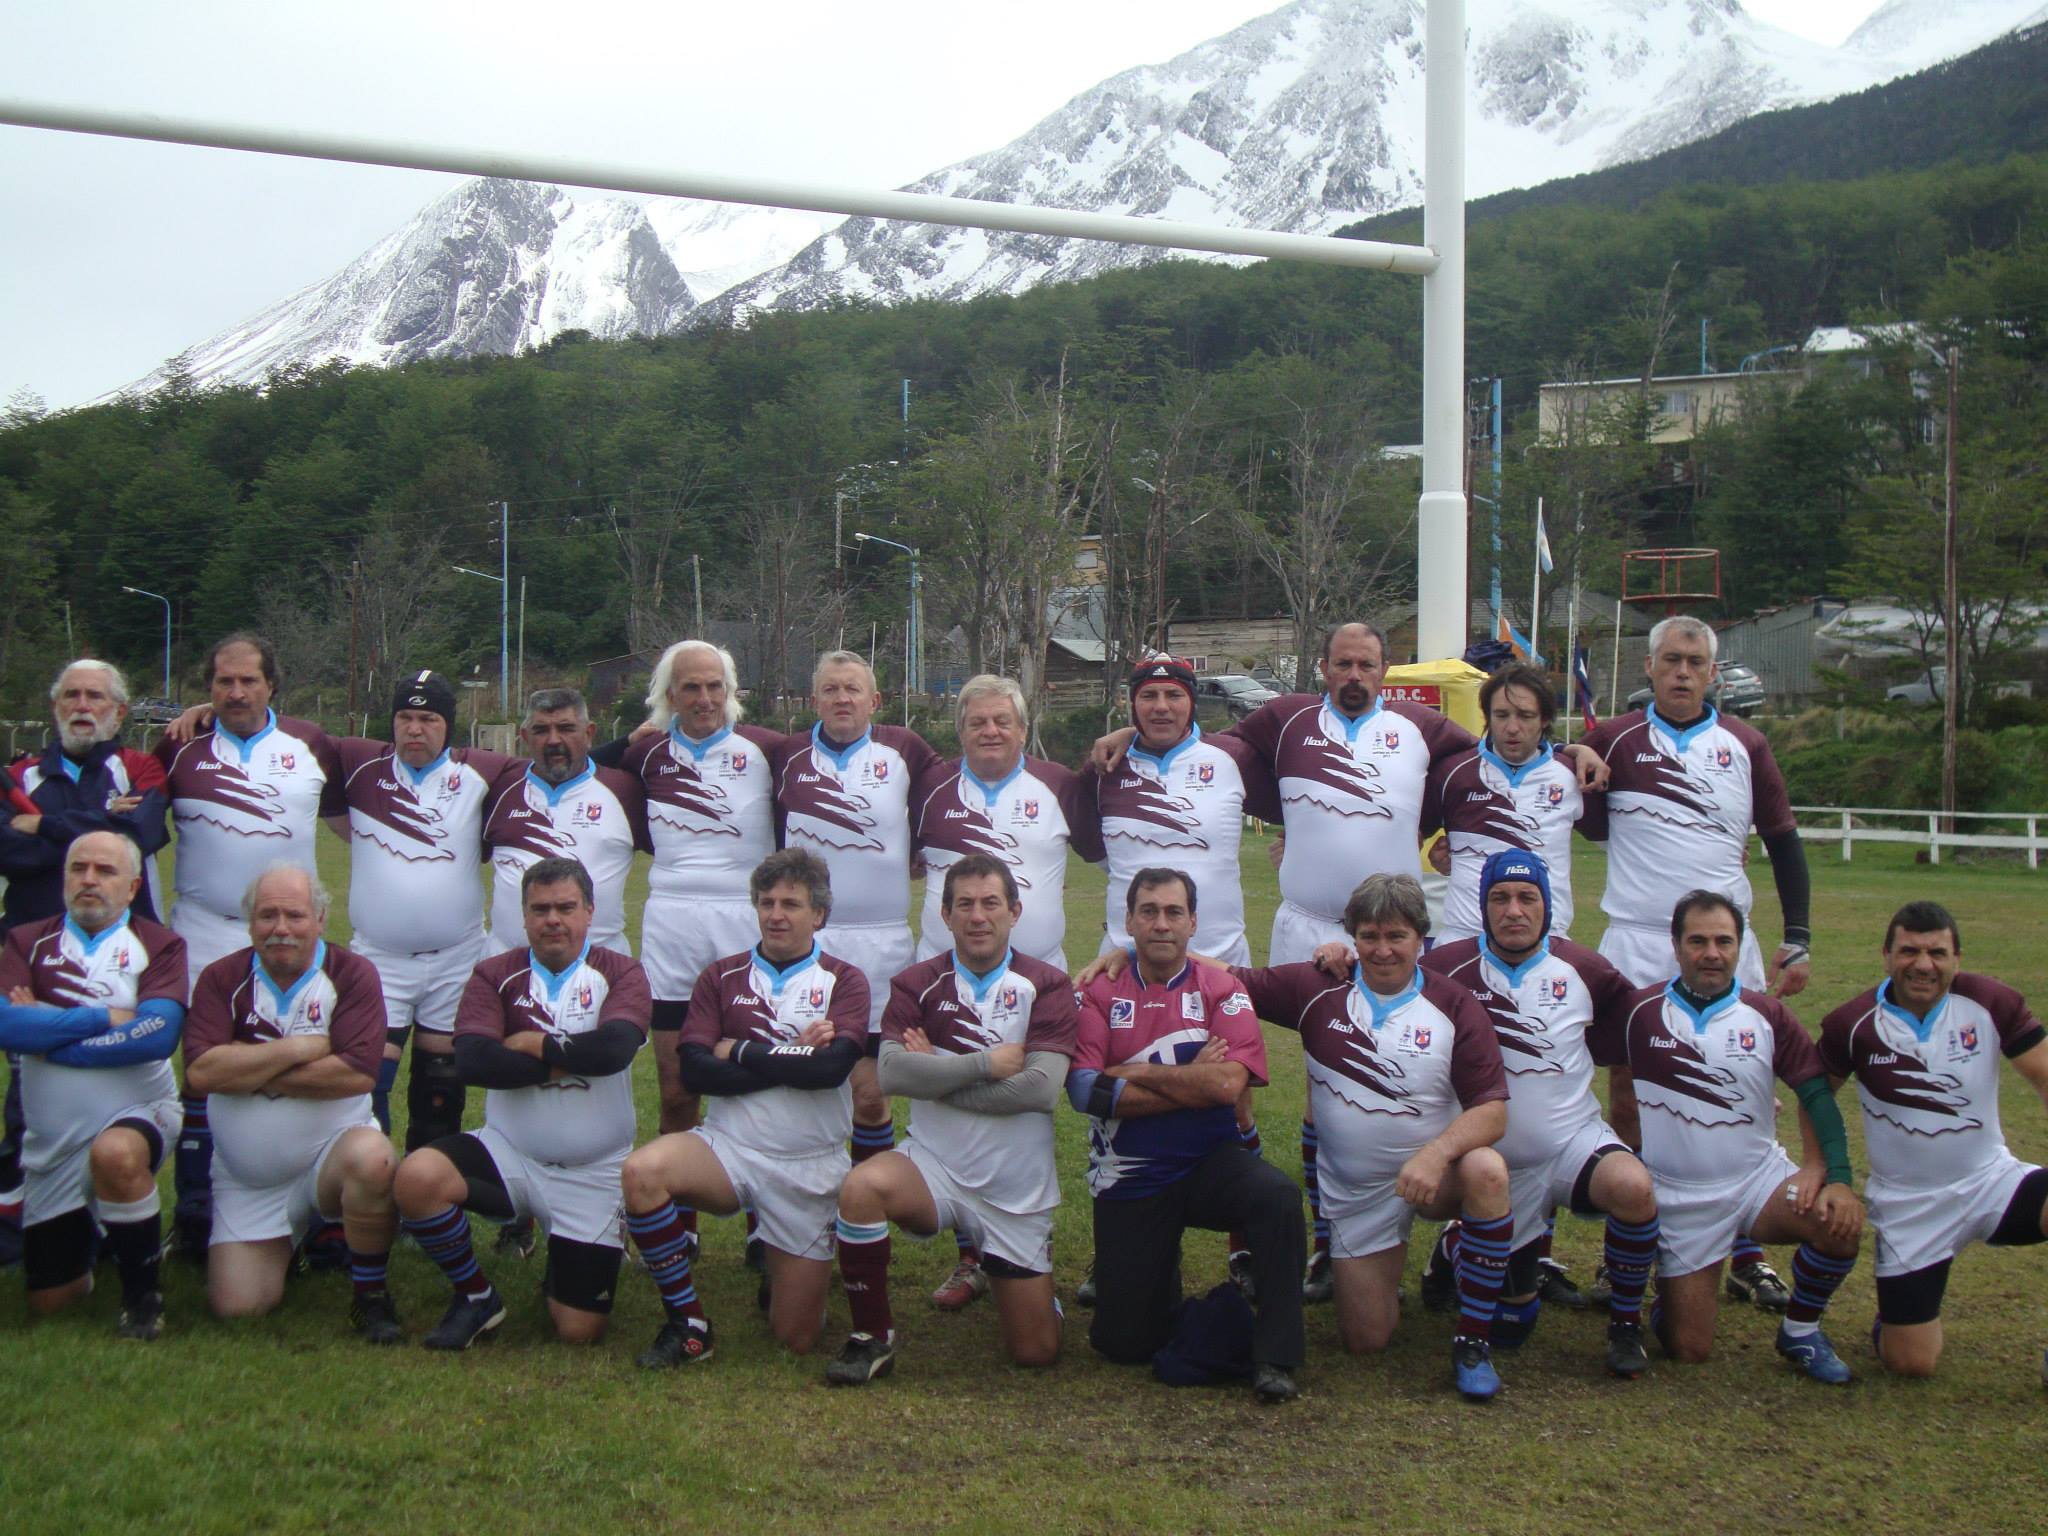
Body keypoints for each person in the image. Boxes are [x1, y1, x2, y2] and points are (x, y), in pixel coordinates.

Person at [1578, 614, 1814, 1313]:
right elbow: (1560, 800)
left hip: (1721, 945)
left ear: (1713, 674)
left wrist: (1797, 933)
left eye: (1695, 662)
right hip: (1638, 940)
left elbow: (1783, 839)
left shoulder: (1745, 744)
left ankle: (1741, 1248)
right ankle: (1630, 1242)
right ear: (1647, 670)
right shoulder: (1612, 739)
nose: (1682, 672)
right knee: (1629, 1096)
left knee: (1740, 1094)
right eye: (1670, 660)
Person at [1227, 872, 1513, 1400]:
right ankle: (1400, 1255)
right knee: (1366, 1340)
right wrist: (1130, 957)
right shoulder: (1317, 987)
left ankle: (1472, 1340)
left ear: (1421, 940)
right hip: (1359, 1193)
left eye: (1397, 936)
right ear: (1352, 937)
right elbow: (1226, 979)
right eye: (1370, 936)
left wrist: (1436, 1154)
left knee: (1487, 1171)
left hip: (1435, 1175)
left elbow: (1492, 1111)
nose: (1383, 950)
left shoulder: (1453, 1004)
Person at [824, 853, 1076, 1385]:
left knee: (1035, 1353)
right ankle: (873, 1336)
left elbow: (1039, 1090)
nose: (977, 916)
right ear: (945, 914)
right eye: (964, 904)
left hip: (1015, 1187)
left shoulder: (1048, 984)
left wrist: (935, 1071)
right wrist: (983, 1065)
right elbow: (891, 1074)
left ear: (1015, 911)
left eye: (990, 904)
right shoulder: (916, 982)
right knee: (863, 1188)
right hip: (933, 1165)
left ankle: (1035, 1293)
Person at [1412, 851, 1659, 1380]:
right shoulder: (1444, 969)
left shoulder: (1587, 970)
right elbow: (1374, 980)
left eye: (1528, 898)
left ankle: (1625, 1324)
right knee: (1513, 1326)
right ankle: (1455, 1248)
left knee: (1635, 1187)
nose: (1514, 911)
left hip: (1573, 1143)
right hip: (1495, 1166)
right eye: (1500, 898)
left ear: (1548, 906)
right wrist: (1335, 955)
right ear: (1482, 906)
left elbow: (1644, 1032)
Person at [621, 849, 867, 1368]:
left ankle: (784, 1276)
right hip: (728, 1148)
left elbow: (831, 1071)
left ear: (818, 915)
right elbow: (694, 1071)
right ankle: (688, 1324)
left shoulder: (845, 980)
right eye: (767, 902)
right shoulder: (721, 977)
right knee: (642, 1172)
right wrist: (795, 1053)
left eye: (792, 904)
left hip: (809, 1164)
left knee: (795, 1337)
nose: (777, 914)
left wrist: (738, 1049)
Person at [1604, 891, 1862, 1383]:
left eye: (1724, 941)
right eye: (1697, 941)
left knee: (1838, 1225)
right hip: (1678, 1197)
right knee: (1689, 1350)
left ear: (1740, 946)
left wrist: (1833, 1175)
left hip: (1756, 1182)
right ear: (1675, 946)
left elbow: (1818, 1098)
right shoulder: (1638, 1011)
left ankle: (1801, 1330)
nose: (1711, 953)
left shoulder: (1767, 1016)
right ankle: (1668, 1290)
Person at [393, 856, 651, 1348]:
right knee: (417, 1177)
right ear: (524, 915)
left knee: (578, 1331)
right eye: (540, 909)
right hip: (510, 1153)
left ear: (590, 912)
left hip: (593, 1170)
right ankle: (476, 1296)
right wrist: (571, 1059)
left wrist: (533, 1045)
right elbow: (472, 1061)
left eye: (566, 907)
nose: (553, 919)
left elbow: (615, 1050)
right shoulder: (494, 975)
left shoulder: (622, 972)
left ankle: (578, 1245)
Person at [1070, 867, 1305, 1403]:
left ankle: (1275, 1355)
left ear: (1193, 922)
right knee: (1125, 1346)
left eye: (1174, 912)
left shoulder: (1223, 988)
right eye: (1148, 912)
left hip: (1208, 1162)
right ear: (1128, 920)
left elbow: (1227, 1086)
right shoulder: (1098, 990)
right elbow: (1084, 1091)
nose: (1161, 924)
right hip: (1130, 1175)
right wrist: (1191, 1076)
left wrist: (1134, 1073)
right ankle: (1156, 1277)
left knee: (1278, 1197)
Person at [910, 673, 1103, 1310]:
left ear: (1024, 727)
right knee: (949, 1104)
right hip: (944, 977)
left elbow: (1113, 853)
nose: (990, 732)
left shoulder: (1059, 786)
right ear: (958, 730)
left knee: (1027, 1106)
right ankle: (971, 1258)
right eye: (977, 722)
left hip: (1035, 978)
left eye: (1003, 721)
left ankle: (1023, 1248)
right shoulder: (930, 787)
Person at [156, 633, 342, 1257]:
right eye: (223, 682)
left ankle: (316, 1207)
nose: (236, 692)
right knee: (204, 1070)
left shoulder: (311, 744)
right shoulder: (179, 744)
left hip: (292, 934)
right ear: (207, 689)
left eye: (249, 681)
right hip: (204, 930)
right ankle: (195, 1212)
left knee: (303, 1058)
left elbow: (355, 818)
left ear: (271, 685)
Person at [1819, 900, 2048, 1380]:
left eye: (1937, 953)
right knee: (1911, 1364)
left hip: (1991, 1182)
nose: (1923, 964)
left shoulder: (1991, 1002)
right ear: (1886, 955)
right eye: (1909, 951)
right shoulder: (1853, 1023)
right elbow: (1816, 1097)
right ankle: (1894, 1321)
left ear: (1956, 959)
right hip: (1909, 1206)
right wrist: (1830, 1174)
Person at [182, 863, 399, 1341]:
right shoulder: (222, 977)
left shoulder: (352, 973)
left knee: (375, 1159)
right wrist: (297, 1049)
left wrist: (247, 1066)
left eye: (295, 915)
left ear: (320, 919)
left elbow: (357, 1074)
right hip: (249, 1181)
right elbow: (200, 1073)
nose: (281, 928)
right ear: (250, 922)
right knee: (239, 1308)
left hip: (329, 1158)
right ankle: (290, 1245)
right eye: (267, 916)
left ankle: (371, 1297)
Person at [0, 659, 170, 1264]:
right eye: (70, 694)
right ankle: (22, 1221)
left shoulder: (141, 767)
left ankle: (110, 1213)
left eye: (95, 696)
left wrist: (44, 825)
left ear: (119, 712)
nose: (82, 705)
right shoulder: (19, 771)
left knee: (115, 1075)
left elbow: (145, 833)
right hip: (32, 949)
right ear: (54, 707)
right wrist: (102, 828)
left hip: (124, 952)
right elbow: (9, 853)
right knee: (30, 1081)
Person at [0, 831, 186, 1338]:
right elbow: (6, 1027)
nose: (88, 879)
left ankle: (143, 1301)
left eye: (104, 871)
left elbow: (157, 1033)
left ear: (131, 887)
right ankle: (108, 1227)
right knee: (50, 1304)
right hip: (53, 1146)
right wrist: (106, 1016)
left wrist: (50, 1034)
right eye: (78, 868)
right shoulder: (24, 940)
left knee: (116, 1156)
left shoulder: (160, 944)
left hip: (140, 1111)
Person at [330, 672, 518, 1154]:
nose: (415, 728)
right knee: (365, 1084)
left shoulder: (482, 771)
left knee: (440, 1090)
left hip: (455, 957)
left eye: (428, 719)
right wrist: (203, 716)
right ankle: (374, 1186)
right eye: (405, 717)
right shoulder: (358, 765)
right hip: (378, 957)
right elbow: (292, 735)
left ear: (447, 725)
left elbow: (558, 762)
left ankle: (425, 1194)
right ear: (391, 722)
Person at [770, 651, 941, 1173]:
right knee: (798, 1079)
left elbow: (957, 787)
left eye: (852, 689)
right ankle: (780, 1208)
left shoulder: (906, 750)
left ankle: (864, 1208)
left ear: (875, 700)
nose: (842, 699)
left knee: (870, 1092)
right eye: (830, 690)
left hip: (883, 943)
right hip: (805, 946)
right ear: (813, 699)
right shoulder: (783, 755)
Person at [610, 640, 782, 1144]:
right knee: (677, 1085)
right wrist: (626, 738)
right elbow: (587, 769)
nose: (705, 698)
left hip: (743, 921)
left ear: (730, 691)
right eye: (692, 687)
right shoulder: (646, 754)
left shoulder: (767, 750)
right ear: (670, 694)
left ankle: (761, 1200)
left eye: (715, 687)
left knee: (751, 1076)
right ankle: (676, 1218)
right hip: (672, 925)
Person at [1421, 663, 1586, 946]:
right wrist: (1445, 859)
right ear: (1487, 716)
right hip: (1466, 939)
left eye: (1525, 716)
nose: (1512, 727)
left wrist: (1579, 749)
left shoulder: (1573, 773)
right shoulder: (1452, 772)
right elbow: (1410, 836)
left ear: (1545, 718)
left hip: (1548, 942)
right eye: (1501, 715)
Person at [483, 687, 648, 959]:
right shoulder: (498, 787)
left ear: (589, 733)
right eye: (540, 730)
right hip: (509, 969)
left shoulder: (626, 790)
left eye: (566, 728)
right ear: (524, 736)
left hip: (599, 968)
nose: (553, 740)